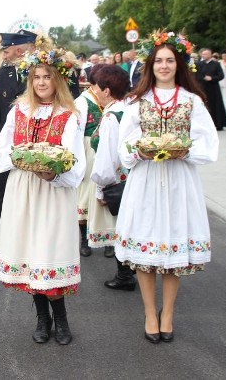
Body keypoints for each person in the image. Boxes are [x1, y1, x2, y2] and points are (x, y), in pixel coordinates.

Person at [115, 31, 219, 344]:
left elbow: (209, 143)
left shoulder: (192, 101)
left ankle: (168, 313)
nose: (163, 65)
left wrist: (186, 150)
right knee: (146, 250)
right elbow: (123, 146)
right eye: (158, 60)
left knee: (173, 248)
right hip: (146, 181)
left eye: (169, 60)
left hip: (178, 181)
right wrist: (138, 150)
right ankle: (150, 312)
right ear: (150, 64)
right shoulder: (136, 102)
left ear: (178, 64)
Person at [0, 49, 86, 345]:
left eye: (47, 77)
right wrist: (19, 158)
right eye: (36, 77)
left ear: (58, 80)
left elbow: (76, 160)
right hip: (23, 190)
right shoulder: (18, 110)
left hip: (52, 192)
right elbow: (0, 150)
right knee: (30, 253)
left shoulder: (68, 115)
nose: (42, 82)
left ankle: (61, 317)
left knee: (50, 252)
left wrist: (55, 172)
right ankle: (42, 318)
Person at [85, 65, 136, 291]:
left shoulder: (112, 117)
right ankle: (130, 271)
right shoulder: (131, 109)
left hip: (117, 180)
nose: (94, 91)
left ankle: (125, 275)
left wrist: (101, 187)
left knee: (118, 227)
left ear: (107, 91)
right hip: (133, 179)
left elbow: (107, 157)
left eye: (96, 87)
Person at [0, 30, 37, 232]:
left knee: (33, 193)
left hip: (35, 141)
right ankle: (3, 234)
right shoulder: (2, 74)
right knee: (5, 188)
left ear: (18, 50)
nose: (4, 55)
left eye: (6, 51)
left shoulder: (40, 73)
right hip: (8, 145)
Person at [75, 63, 108, 258]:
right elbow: (77, 133)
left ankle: (108, 239)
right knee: (86, 193)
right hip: (88, 149)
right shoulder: (84, 101)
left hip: (106, 150)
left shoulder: (111, 97)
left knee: (105, 193)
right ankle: (84, 238)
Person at [196, 48, 226, 130]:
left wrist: (212, 78)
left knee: (216, 105)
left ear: (210, 55)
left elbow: (221, 75)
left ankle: (218, 123)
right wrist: (203, 78)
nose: (204, 56)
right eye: (203, 54)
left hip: (214, 88)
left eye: (206, 54)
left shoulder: (216, 64)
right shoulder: (199, 64)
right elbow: (197, 75)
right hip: (203, 87)